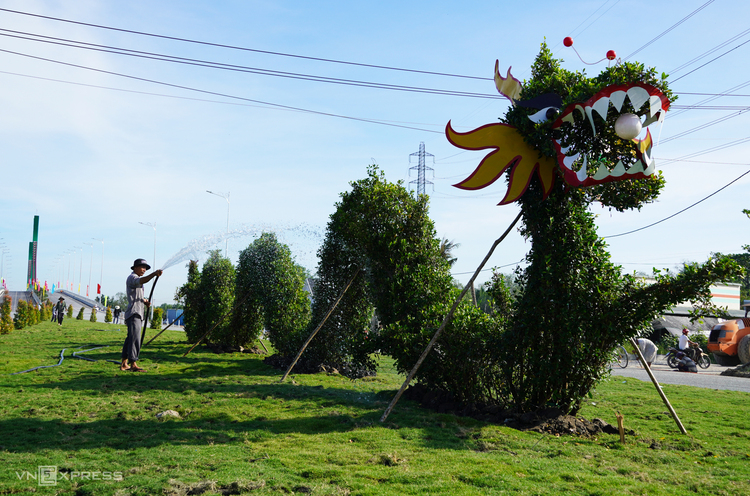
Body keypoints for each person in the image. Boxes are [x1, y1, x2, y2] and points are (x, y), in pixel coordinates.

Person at [120, 259, 162, 372]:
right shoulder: (133, 277)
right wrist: (154, 274)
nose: (144, 270)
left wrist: (144, 301)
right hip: (134, 313)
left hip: (137, 312)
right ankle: (133, 363)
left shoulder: (137, 281)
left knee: (130, 338)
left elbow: (135, 295)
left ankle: (124, 363)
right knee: (135, 339)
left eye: (146, 268)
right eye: (142, 267)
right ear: (135, 268)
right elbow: (142, 280)